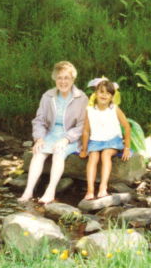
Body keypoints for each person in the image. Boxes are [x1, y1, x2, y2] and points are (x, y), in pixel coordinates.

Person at [18, 61, 88, 204]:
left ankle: (50, 192)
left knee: (58, 154)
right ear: (55, 79)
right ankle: (28, 191)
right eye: (59, 78)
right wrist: (39, 138)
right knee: (38, 153)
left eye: (66, 78)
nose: (63, 82)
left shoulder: (82, 98)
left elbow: (83, 125)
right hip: (50, 134)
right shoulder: (47, 96)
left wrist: (66, 139)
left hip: (72, 137)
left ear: (73, 80)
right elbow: (39, 120)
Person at [79, 78, 131, 200]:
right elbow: (86, 131)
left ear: (112, 97)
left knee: (106, 154)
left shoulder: (114, 109)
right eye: (101, 92)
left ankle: (103, 187)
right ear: (96, 94)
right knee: (93, 157)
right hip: (96, 141)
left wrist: (127, 148)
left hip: (112, 140)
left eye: (108, 93)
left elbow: (127, 127)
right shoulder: (90, 111)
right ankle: (90, 189)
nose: (104, 95)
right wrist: (84, 149)